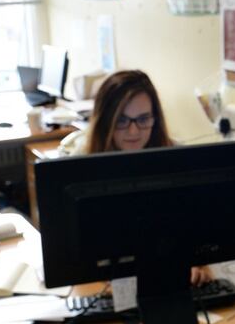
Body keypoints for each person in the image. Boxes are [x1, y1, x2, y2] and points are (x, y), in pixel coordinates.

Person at [72, 69, 211, 285]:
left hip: (163, 279)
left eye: (143, 119)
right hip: (101, 283)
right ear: (105, 121)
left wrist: (197, 262)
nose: (134, 131)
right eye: (122, 120)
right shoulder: (81, 163)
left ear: (155, 118)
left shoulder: (176, 158)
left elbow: (195, 228)